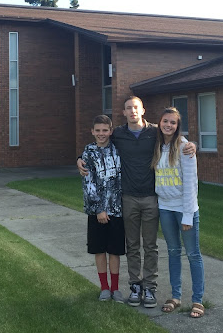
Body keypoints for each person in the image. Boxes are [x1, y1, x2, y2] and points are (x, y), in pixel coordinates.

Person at [78, 96, 196, 308]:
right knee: (132, 245)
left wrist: (192, 145)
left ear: (143, 110)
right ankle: (135, 286)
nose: (132, 111)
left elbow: (174, 136)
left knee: (150, 246)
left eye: (136, 107)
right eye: (128, 108)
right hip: (128, 198)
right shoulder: (118, 134)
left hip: (151, 197)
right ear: (123, 112)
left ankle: (150, 287)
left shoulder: (155, 132)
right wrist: (80, 158)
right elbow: (98, 144)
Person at [153, 106, 205, 318]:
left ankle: (198, 300)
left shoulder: (185, 148)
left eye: (173, 122)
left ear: (178, 126)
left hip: (184, 209)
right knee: (173, 252)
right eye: (165, 121)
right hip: (165, 208)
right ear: (159, 123)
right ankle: (175, 296)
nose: (168, 125)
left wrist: (188, 215)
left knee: (193, 254)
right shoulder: (157, 145)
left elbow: (191, 184)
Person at [81, 114, 125, 302]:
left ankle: (115, 288)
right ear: (92, 131)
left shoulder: (118, 150)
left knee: (114, 250)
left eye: (105, 130)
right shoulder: (88, 152)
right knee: (99, 250)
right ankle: (104, 288)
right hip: (96, 211)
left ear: (111, 131)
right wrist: (99, 209)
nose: (101, 134)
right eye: (98, 130)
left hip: (117, 209)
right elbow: (88, 183)